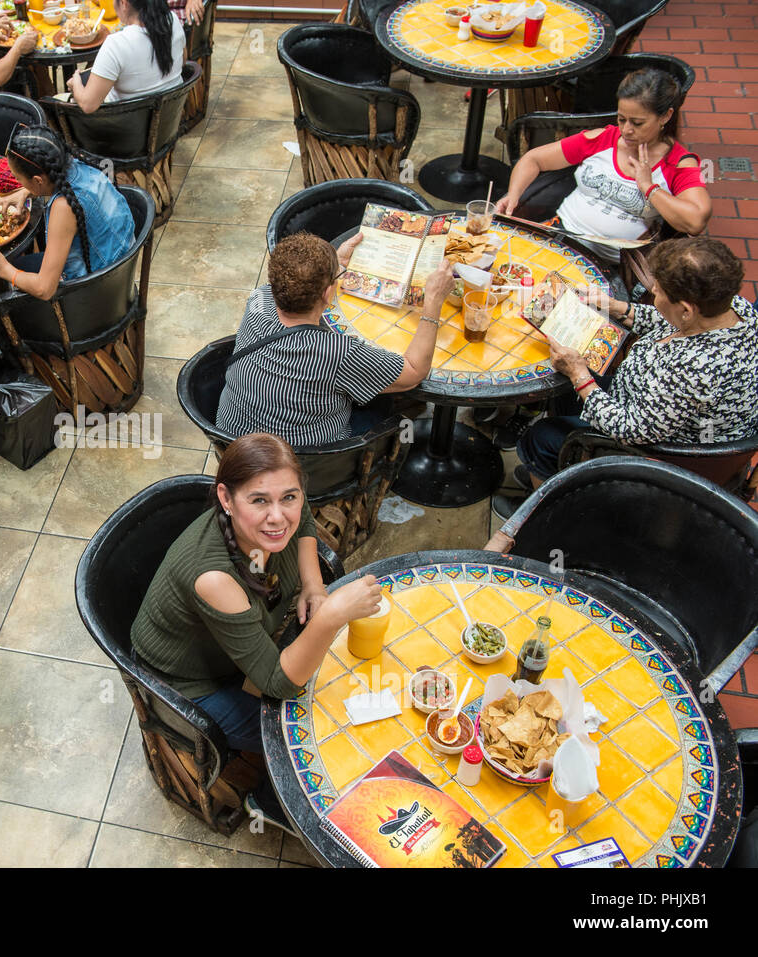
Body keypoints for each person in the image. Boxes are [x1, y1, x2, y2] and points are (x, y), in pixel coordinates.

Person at [131, 432, 381, 827]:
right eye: (259, 500)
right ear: (226, 499)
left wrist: (314, 585)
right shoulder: (214, 578)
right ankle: (267, 801)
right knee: (307, 726)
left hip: (238, 642)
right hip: (189, 681)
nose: (278, 516)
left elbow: (305, 520)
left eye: (289, 497)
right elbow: (277, 683)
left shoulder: (279, 517)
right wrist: (331, 616)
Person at [495, 237, 758, 515]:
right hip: (651, 403)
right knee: (561, 392)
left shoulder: (695, 369)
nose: (653, 293)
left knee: (540, 438)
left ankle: (548, 509)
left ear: (686, 309)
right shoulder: (732, 309)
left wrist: (579, 375)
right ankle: (554, 471)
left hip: (666, 455)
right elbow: (669, 323)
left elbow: (631, 430)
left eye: (658, 292)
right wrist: (617, 307)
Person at [216, 231, 454, 447]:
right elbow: (414, 371)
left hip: (235, 444)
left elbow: (295, 285)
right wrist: (433, 301)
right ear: (328, 292)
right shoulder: (338, 352)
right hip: (301, 461)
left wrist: (333, 266)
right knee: (391, 400)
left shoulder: (258, 299)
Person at [498, 68, 710, 263]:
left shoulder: (677, 161)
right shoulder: (603, 139)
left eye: (637, 123)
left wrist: (649, 187)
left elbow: (695, 221)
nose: (626, 130)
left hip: (614, 263)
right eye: (621, 119)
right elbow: (534, 159)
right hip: (561, 237)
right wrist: (513, 195)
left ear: (665, 116)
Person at [0, 125, 134, 299]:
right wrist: (24, 192)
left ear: (38, 180)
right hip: (120, 271)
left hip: (96, 293)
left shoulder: (64, 207)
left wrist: (2, 268)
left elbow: (44, 289)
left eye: (19, 179)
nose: (19, 183)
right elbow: (52, 180)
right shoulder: (76, 164)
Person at [67, 0, 184, 112]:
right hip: (169, 119)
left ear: (124, 3)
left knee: (62, 99)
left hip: (125, 127)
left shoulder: (116, 44)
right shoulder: (173, 20)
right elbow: (182, 62)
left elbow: (88, 105)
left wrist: (76, 81)